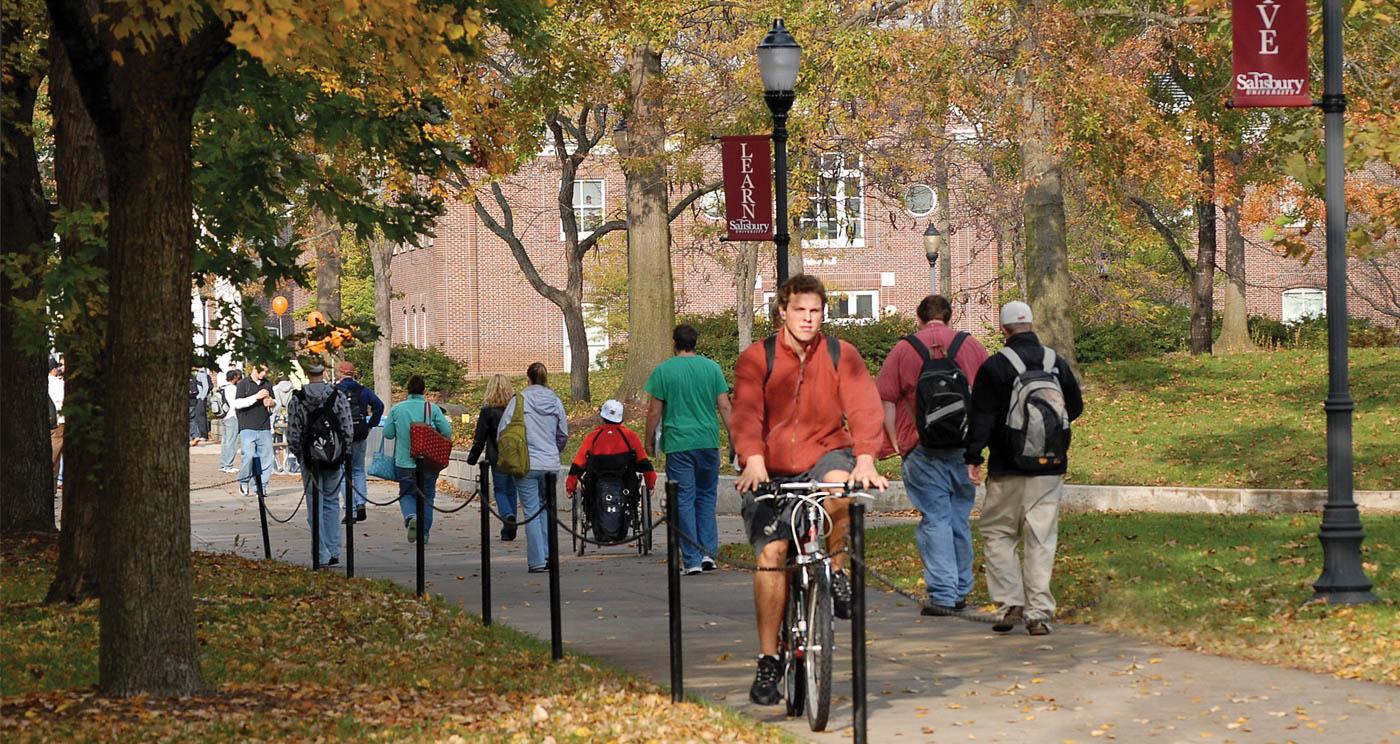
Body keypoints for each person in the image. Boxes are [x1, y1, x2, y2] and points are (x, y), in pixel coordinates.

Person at [730, 274, 888, 706]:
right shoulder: (757, 358)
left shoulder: (841, 354)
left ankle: (835, 572)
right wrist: (754, 457)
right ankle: (768, 659)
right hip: (771, 466)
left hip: (825, 453)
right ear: (782, 310)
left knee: (841, 486)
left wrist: (867, 457)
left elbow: (864, 406)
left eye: (815, 311)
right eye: (799, 310)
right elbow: (745, 411)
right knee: (773, 555)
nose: (808, 318)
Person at [965, 301, 1084, 636]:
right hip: (1049, 468)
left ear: (1004, 330)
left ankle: (1009, 602)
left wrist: (973, 457)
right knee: (1041, 539)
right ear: (1031, 325)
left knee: (999, 534)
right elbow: (1074, 407)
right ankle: (1039, 614)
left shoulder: (996, 367)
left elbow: (982, 418)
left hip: (1007, 467)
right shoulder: (1054, 362)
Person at [875, 295, 989, 614]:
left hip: (920, 446)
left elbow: (884, 397)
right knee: (958, 518)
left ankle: (942, 594)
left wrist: (895, 441)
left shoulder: (904, 349)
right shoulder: (971, 346)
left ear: (919, 318)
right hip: (964, 448)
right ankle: (962, 589)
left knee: (935, 518)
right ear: (950, 317)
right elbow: (987, 396)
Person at [644, 324, 732, 575]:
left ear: (675, 343)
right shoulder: (711, 368)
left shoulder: (664, 371)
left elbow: (654, 411)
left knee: (683, 500)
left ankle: (691, 558)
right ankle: (708, 553)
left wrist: (648, 440)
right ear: (695, 342)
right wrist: (735, 438)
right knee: (706, 497)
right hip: (707, 441)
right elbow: (725, 407)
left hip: (679, 443)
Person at [497, 362, 567, 573]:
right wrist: (554, 451)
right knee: (547, 508)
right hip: (550, 463)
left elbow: (503, 431)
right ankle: (548, 554)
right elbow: (562, 434)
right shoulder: (555, 401)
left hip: (526, 463)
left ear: (528, 379)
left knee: (531, 511)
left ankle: (537, 560)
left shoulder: (519, 400)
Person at [287, 361, 354, 567]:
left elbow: (293, 431)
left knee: (313, 505)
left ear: (307, 373)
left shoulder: (298, 399)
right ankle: (334, 550)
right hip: (333, 457)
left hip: (310, 457)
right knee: (332, 502)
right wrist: (343, 452)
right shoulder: (338, 396)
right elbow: (347, 427)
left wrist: (299, 454)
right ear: (323, 372)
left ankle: (321, 552)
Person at [566, 400, 658, 538]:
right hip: (626, 485)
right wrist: (651, 484)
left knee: (589, 486)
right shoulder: (630, 437)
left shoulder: (592, 437)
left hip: (596, 485)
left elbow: (577, 465)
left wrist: (570, 487)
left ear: (602, 417)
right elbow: (645, 464)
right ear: (620, 418)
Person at [383, 374, 453, 544]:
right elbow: (447, 432)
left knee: (406, 493)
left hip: (404, 461)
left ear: (408, 390)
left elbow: (388, 434)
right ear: (424, 390)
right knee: (427, 496)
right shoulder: (432, 408)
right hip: (428, 461)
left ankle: (410, 516)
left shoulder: (397, 409)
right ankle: (424, 533)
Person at [466, 374, 518, 541]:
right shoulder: (515, 408)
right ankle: (510, 525)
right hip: (515, 455)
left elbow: (480, 437)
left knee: (500, 490)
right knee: (512, 490)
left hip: (496, 456)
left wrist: (472, 458)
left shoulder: (487, 411)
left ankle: (507, 516)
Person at [335, 361, 385, 524]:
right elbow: (379, 406)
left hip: (341, 436)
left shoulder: (335, 391)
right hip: (360, 433)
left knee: (343, 473)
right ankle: (361, 502)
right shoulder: (364, 390)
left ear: (340, 374)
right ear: (354, 373)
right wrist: (371, 425)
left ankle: (350, 509)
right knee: (358, 470)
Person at [233, 364, 276, 496]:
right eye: (261, 370)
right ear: (253, 368)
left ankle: (261, 486)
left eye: (266, 371)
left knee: (267, 457)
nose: (264, 373)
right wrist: (256, 397)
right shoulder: (243, 384)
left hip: (264, 425)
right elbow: (237, 404)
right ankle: (244, 481)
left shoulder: (268, 384)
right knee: (249, 455)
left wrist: (271, 403)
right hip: (247, 426)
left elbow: (274, 402)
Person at [218, 369, 243, 473]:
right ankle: (228, 465)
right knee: (232, 441)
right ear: (235, 378)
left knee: (225, 441)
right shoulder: (233, 389)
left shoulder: (222, 388)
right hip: (232, 416)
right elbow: (235, 404)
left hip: (224, 416)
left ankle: (223, 464)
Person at [48, 358, 65, 482]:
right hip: (59, 422)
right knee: (55, 454)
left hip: (46, 421)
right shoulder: (59, 384)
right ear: (53, 370)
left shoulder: (40, 384)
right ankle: (51, 484)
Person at [189, 367, 212, 445]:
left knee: (200, 416)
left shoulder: (201, 374)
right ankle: (203, 434)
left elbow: (206, 386)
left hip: (200, 398)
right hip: (199, 398)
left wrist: (201, 398)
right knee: (200, 416)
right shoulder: (198, 374)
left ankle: (203, 435)